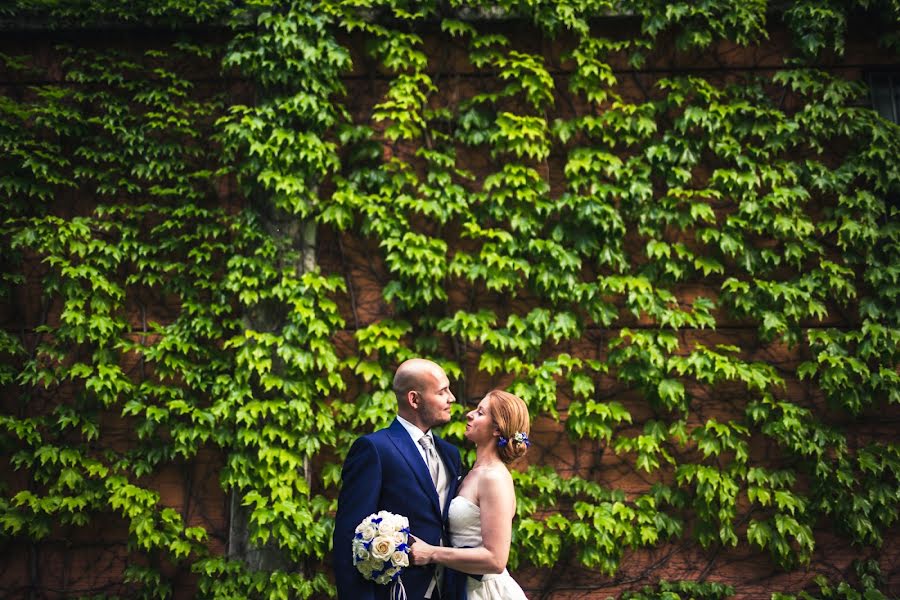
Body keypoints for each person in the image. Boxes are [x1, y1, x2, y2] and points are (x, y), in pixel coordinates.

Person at [333, 358, 462, 600]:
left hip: (449, 589)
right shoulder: (374, 449)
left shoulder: (450, 454)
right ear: (414, 399)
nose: (451, 398)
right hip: (397, 591)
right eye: (442, 391)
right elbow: (348, 537)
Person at [409, 389, 530, 600]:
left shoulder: (494, 478)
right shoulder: (470, 472)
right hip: (458, 587)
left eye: (480, 413)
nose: (469, 414)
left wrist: (431, 553)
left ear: (496, 429)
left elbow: (496, 559)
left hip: (484, 593)